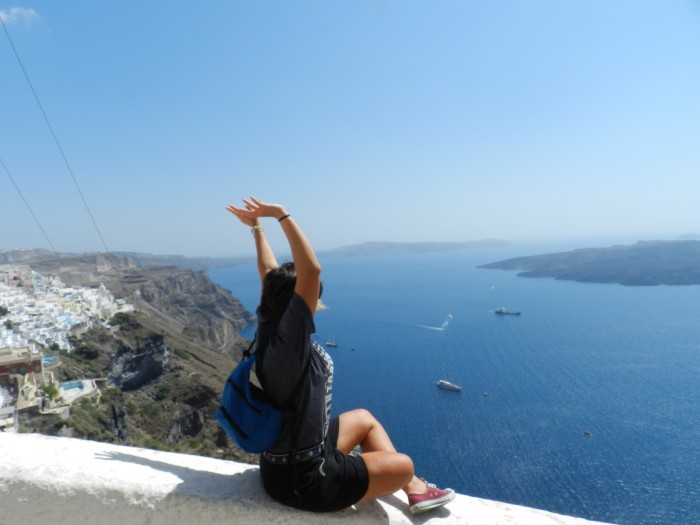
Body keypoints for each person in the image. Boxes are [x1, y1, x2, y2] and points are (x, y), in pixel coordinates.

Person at [226, 196, 455, 514]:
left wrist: (256, 228)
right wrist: (281, 215)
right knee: (403, 465)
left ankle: (415, 488)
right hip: (305, 481)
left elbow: (269, 271)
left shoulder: (269, 324)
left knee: (364, 420)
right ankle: (412, 484)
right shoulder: (291, 339)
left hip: (284, 462)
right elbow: (312, 271)